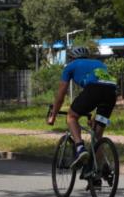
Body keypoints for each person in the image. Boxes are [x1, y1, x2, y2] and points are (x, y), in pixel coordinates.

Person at [47, 45, 118, 175]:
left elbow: (60, 95)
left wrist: (53, 114)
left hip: (93, 90)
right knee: (97, 136)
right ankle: (97, 172)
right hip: (111, 92)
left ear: (71, 58)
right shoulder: (99, 63)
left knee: (72, 117)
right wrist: (96, 117)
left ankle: (80, 148)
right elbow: (103, 87)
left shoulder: (70, 66)